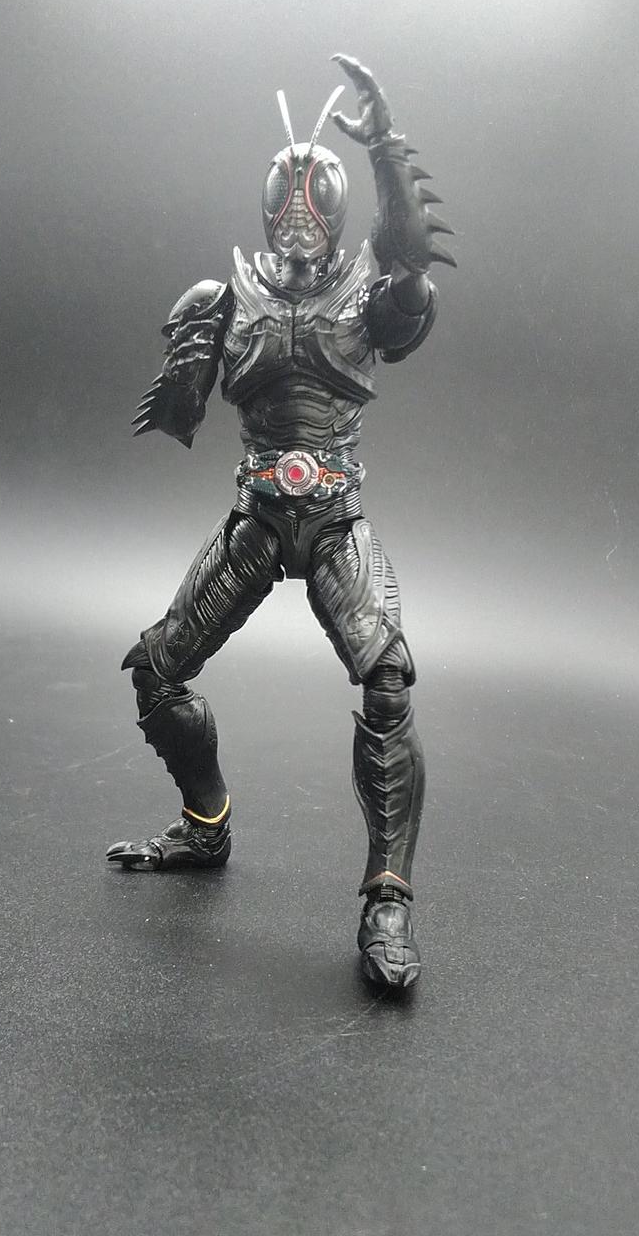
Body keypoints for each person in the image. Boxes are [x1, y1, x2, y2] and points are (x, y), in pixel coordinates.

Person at [107, 54, 456, 988]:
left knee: (388, 683)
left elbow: (411, 274)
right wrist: (191, 355)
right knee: (156, 671)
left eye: (315, 194)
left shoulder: (369, 297)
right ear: (266, 205)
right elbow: (181, 409)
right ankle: (206, 824)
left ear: (338, 208)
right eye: (286, 193)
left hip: (336, 517)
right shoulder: (224, 301)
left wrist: (384, 149)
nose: (299, 210)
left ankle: (388, 900)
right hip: (259, 514)